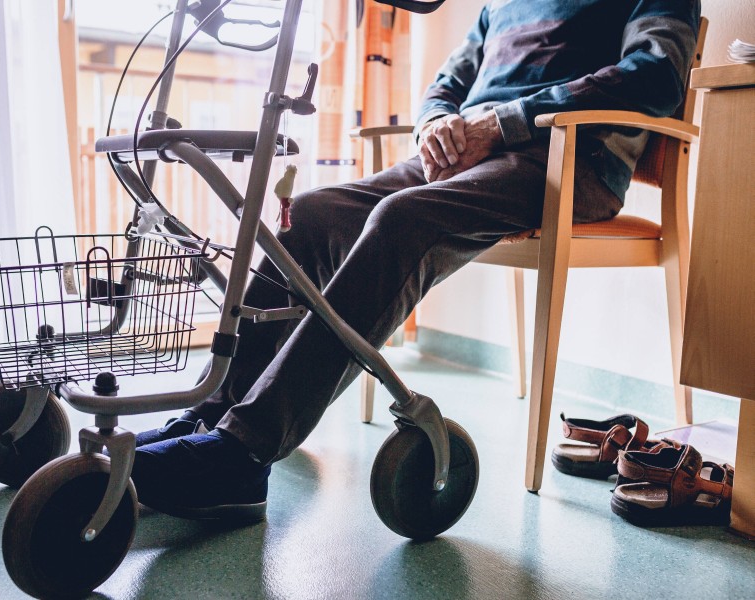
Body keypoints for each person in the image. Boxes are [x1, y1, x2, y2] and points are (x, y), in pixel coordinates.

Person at [129, 0, 702, 522]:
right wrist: (434, 126)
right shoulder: (497, 9)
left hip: (570, 159)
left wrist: (500, 122)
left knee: (402, 219)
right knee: (305, 215)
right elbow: (447, 84)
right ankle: (218, 414)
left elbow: (656, 76)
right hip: (468, 156)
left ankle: (243, 451)